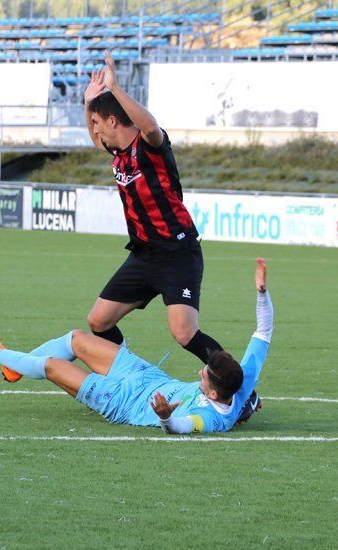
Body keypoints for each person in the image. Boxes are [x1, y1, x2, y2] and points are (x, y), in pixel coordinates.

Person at [0, 259, 274, 434]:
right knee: (77, 338)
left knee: (52, 366)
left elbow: (181, 426)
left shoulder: (213, 421)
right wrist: (262, 292)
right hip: (146, 376)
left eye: (204, 375)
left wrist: (164, 417)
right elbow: (264, 330)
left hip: (123, 403)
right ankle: (14, 366)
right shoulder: (242, 382)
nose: (198, 371)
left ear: (214, 394)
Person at [76, 51, 223, 375]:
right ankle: (128, 376)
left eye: (99, 123)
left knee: (184, 332)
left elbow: (150, 124)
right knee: (98, 321)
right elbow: (96, 139)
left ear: (114, 121)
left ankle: (239, 388)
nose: (96, 131)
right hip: (144, 255)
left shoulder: (151, 146)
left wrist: (113, 88)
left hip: (177, 252)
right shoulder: (119, 152)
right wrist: (89, 106)